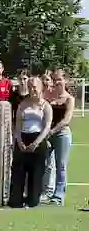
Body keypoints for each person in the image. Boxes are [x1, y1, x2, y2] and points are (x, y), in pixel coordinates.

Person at [9, 76, 52, 208]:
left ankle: (32, 199)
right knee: (18, 173)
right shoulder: (22, 104)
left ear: (40, 87)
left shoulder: (46, 106)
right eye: (30, 86)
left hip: (38, 141)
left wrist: (36, 143)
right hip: (22, 139)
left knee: (36, 174)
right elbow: (17, 125)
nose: (32, 89)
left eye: (35, 86)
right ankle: (16, 199)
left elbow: (46, 127)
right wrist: (19, 141)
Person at [43, 68, 74, 206]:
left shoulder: (69, 99)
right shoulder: (48, 96)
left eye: (59, 79)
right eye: (54, 80)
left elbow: (66, 120)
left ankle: (59, 195)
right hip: (47, 134)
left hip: (62, 134)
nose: (56, 82)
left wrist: (52, 131)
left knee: (61, 166)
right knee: (45, 163)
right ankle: (45, 192)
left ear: (65, 80)